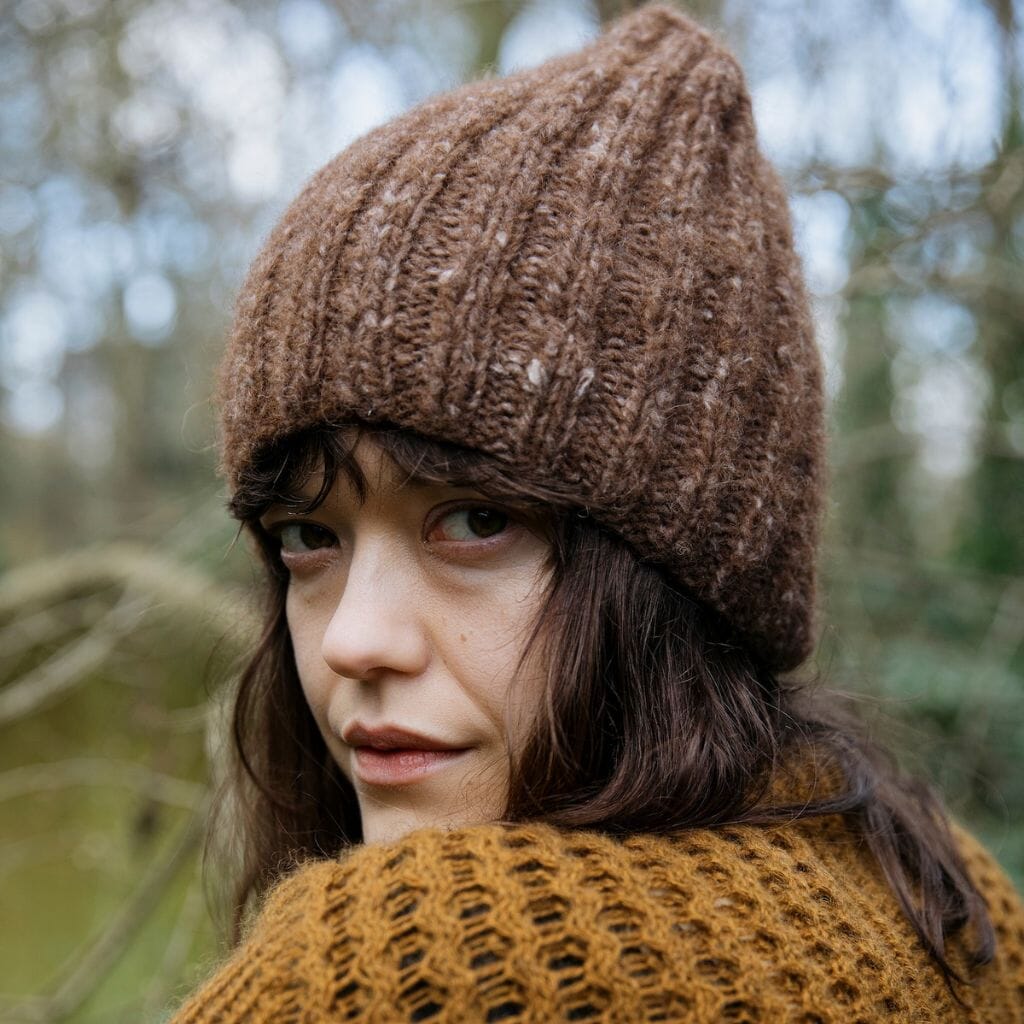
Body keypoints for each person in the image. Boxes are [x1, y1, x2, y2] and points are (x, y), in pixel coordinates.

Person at [170, 3, 1024, 1020]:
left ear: (680, 576)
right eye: (308, 539)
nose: (354, 639)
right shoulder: (943, 898)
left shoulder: (380, 972)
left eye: (473, 521)